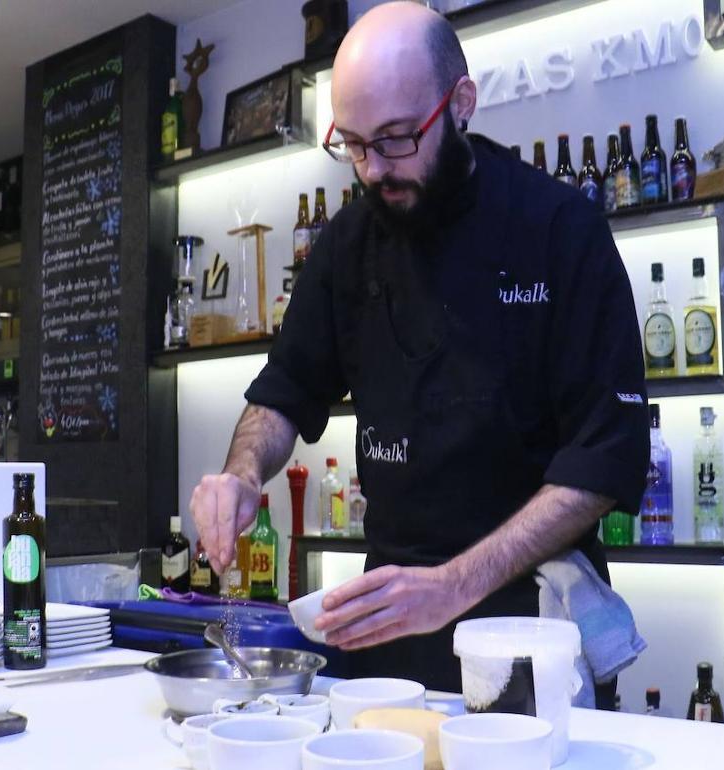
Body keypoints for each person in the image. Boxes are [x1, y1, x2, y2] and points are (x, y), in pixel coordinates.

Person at [188, 1, 648, 705]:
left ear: (460, 104)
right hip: (391, 628)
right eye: (355, 145)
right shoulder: (346, 247)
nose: (374, 170)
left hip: (529, 630)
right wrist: (242, 473)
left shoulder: (559, 230)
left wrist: (453, 587)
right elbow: (283, 392)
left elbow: (604, 461)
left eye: (399, 139)